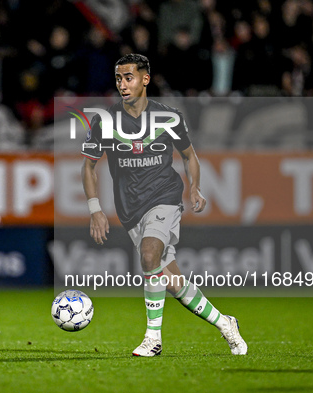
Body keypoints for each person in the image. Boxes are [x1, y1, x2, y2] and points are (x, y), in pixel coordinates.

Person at [80, 53, 248, 357]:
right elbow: (88, 166)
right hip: (130, 210)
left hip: (165, 197)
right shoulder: (104, 121)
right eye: (118, 78)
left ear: (145, 79)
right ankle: (225, 323)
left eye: (128, 77)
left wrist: (195, 187)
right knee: (171, 281)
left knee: (148, 255)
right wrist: (94, 209)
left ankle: (153, 338)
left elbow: (189, 155)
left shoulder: (168, 117)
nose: (122, 84)